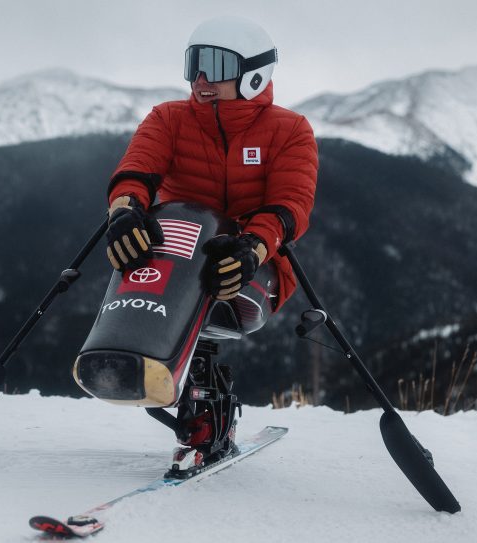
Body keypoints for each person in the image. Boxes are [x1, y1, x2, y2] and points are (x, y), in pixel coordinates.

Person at [103, 15, 318, 457]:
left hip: (252, 258)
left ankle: (201, 402)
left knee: (223, 297)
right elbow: (137, 170)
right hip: (178, 248)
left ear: (254, 74)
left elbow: (290, 204)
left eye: (217, 66)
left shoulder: (290, 130)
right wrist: (124, 212)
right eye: (194, 64)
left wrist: (252, 248)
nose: (201, 79)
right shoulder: (169, 118)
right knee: (165, 281)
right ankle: (129, 367)